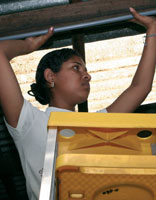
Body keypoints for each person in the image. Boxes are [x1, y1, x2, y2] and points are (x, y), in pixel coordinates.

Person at [0, 7, 155, 200]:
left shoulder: (96, 124)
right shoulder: (29, 123)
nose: (87, 75)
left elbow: (140, 88)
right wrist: (28, 46)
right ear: (50, 76)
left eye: (85, 70)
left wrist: (152, 30)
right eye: (76, 67)